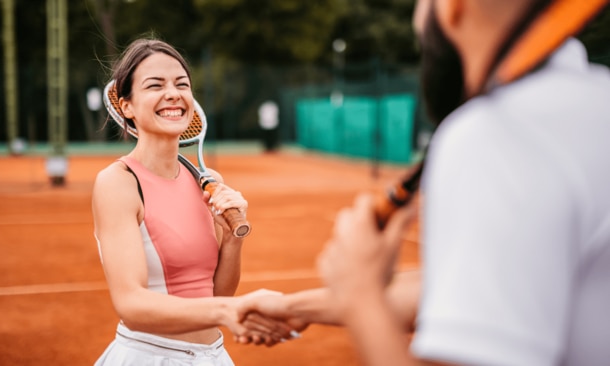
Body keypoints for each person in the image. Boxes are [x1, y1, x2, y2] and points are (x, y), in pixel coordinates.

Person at [238, 0, 610, 365]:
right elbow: (469, 293)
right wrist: (296, 307)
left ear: (455, 6)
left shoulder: (498, 133)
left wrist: (360, 295)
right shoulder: (595, 101)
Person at [91, 38, 294, 366]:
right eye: (155, 85)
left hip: (211, 357)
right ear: (126, 105)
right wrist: (231, 311)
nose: (173, 93)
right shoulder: (118, 182)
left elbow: (217, 297)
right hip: (149, 356)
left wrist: (232, 238)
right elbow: (130, 303)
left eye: (181, 84)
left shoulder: (207, 180)